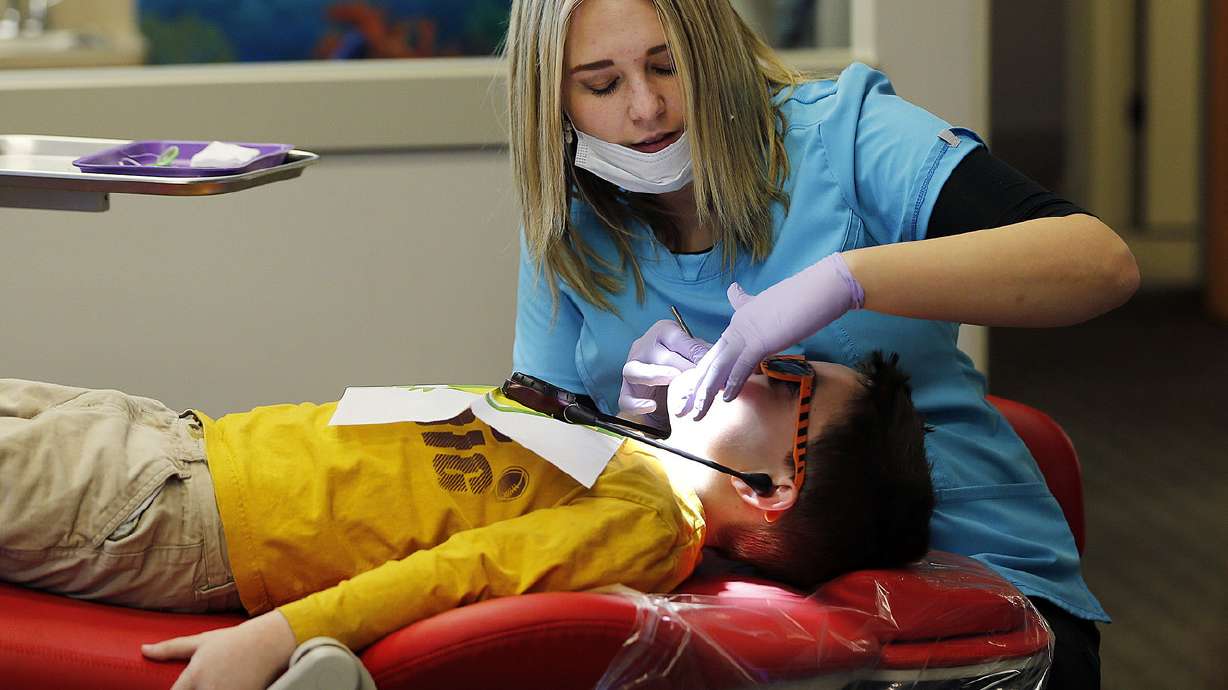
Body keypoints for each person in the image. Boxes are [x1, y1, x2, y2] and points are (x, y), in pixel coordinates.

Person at [506, 1, 1136, 686]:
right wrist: (627, 436)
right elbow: (536, 484)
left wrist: (848, 279)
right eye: (601, 85)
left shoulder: (842, 136)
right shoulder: (568, 230)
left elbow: (1100, 265)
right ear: (556, 98)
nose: (647, 107)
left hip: (977, 592)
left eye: (669, 65)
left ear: (714, 51)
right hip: (717, 602)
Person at [0, 351, 932, 690]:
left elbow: (461, 573)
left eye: (788, 381)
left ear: (770, 488)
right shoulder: (627, 452)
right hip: (175, 441)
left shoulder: (650, 521)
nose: (756, 361)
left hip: (173, 513)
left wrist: (276, 636)